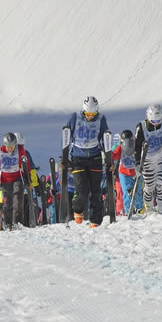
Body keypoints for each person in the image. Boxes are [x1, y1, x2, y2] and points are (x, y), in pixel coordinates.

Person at [62, 96, 113, 226]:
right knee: (82, 188)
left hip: (95, 157)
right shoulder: (75, 118)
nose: (90, 116)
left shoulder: (101, 119)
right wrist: (65, 157)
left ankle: (95, 220)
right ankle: (78, 209)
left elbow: (105, 137)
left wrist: (108, 159)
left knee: (96, 190)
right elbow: (66, 135)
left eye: (93, 114)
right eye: (87, 114)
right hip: (78, 158)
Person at [134, 105, 162, 214]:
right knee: (150, 185)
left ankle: (161, 204)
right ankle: (148, 206)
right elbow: (137, 147)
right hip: (148, 160)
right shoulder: (141, 127)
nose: (157, 122)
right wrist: (138, 163)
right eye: (154, 120)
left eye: (159, 120)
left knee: (161, 183)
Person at [0, 131, 37, 228]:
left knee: (18, 202)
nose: (10, 149)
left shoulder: (20, 149)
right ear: (4, 145)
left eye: (12, 146)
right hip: (5, 179)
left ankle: (18, 224)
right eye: (8, 147)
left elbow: (26, 164)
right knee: (7, 203)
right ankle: (8, 224)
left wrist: (28, 179)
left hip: (17, 178)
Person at [113, 129, 141, 216]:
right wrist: (107, 155)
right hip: (124, 173)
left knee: (138, 191)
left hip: (136, 171)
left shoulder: (137, 145)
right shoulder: (120, 147)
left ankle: (138, 208)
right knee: (126, 192)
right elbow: (114, 155)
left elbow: (143, 153)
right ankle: (128, 210)